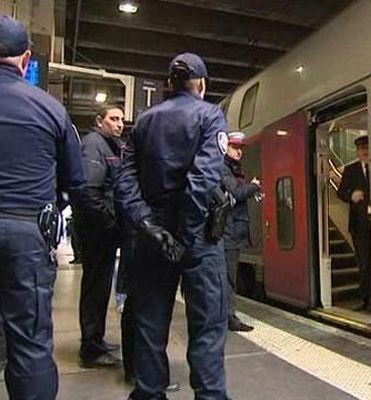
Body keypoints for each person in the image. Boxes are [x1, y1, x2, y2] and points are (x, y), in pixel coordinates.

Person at [115, 52, 230, 400]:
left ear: (168, 84)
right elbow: (203, 179)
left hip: (154, 239)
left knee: (150, 322)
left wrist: (149, 225)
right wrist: (185, 233)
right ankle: (209, 396)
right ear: (202, 85)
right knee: (207, 325)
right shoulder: (211, 116)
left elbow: (125, 183)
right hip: (198, 239)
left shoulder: (144, 121)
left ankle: (150, 392)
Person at [0, 15, 85, 399]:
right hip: (26, 235)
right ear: (26, 58)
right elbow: (75, 181)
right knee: (30, 342)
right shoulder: (50, 109)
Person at [74, 105, 125, 368]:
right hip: (97, 232)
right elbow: (90, 192)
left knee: (100, 287)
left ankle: (96, 339)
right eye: (113, 119)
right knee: (95, 288)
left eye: (121, 120)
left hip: (101, 231)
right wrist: (109, 224)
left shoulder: (109, 146)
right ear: (99, 121)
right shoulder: (94, 145)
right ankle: (90, 349)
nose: (119, 124)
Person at [221, 131, 260, 332]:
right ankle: (229, 318)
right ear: (224, 147)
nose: (239, 153)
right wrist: (253, 186)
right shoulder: (224, 169)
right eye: (235, 148)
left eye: (240, 149)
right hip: (228, 232)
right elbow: (237, 192)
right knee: (229, 278)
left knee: (229, 277)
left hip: (232, 231)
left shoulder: (233, 169)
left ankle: (227, 316)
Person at [337, 134, 371, 312]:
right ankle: (366, 300)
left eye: (367, 148)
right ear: (358, 152)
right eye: (361, 149)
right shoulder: (350, 170)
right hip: (359, 226)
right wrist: (351, 196)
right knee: (364, 263)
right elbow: (340, 192)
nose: (365, 151)